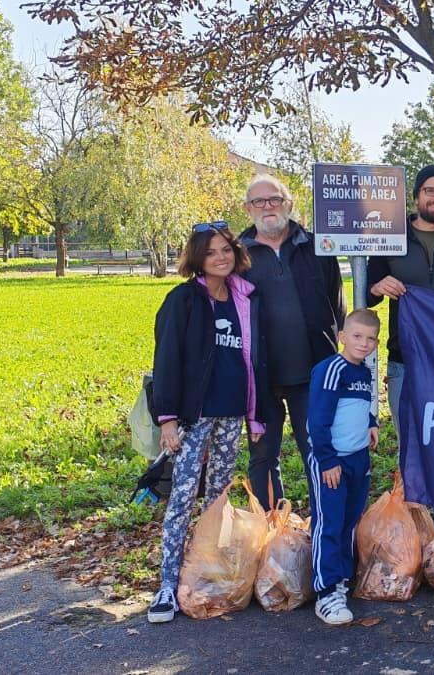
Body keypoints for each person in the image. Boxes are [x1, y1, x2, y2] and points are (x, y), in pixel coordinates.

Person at [147, 221, 276, 624]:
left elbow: (253, 360)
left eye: (226, 250)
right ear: (197, 259)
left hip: (231, 414)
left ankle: (204, 576)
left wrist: (255, 415)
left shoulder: (245, 297)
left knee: (217, 499)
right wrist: (168, 419)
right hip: (194, 417)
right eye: (210, 252)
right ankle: (167, 586)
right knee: (182, 498)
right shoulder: (184, 300)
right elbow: (167, 359)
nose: (220, 257)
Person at [366, 165, 434, 529]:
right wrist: (377, 285)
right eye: (431, 191)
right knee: (410, 444)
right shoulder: (392, 237)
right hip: (403, 359)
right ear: (416, 196)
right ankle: (412, 529)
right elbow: (367, 290)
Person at [238, 175, 346, 511]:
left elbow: (336, 299)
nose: (267, 206)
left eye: (275, 199)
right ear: (248, 208)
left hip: (312, 372)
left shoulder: (316, 246)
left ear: (289, 204)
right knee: (263, 457)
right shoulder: (237, 254)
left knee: (319, 452)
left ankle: (324, 526)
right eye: (259, 201)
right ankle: (271, 527)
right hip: (259, 377)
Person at [306, 309, 382, 625]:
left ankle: (341, 580)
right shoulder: (331, 370)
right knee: (330, 522)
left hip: (357, 459)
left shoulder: (363, 372)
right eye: (357, 336)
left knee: (349, 522)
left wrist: (372, 422)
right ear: (342, 337)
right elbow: (317, 419)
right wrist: (327, 460)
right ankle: (326, 592)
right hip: (332, 461)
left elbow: (362, 406)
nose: (363, 344)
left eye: (371, 339)